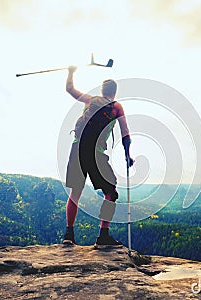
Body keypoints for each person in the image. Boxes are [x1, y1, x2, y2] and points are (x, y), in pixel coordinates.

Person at [63, 65, 134, 248]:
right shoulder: (116, 107)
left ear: (102, 91)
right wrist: (128, 155)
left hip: (77, 148)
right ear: (114, 92)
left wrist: (71, 72)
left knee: (75, 192)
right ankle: (103, 235)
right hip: (96, 153)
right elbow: (125, 132)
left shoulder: (90, 100)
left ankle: (69, 235)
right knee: (110, 192)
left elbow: (69, 89)